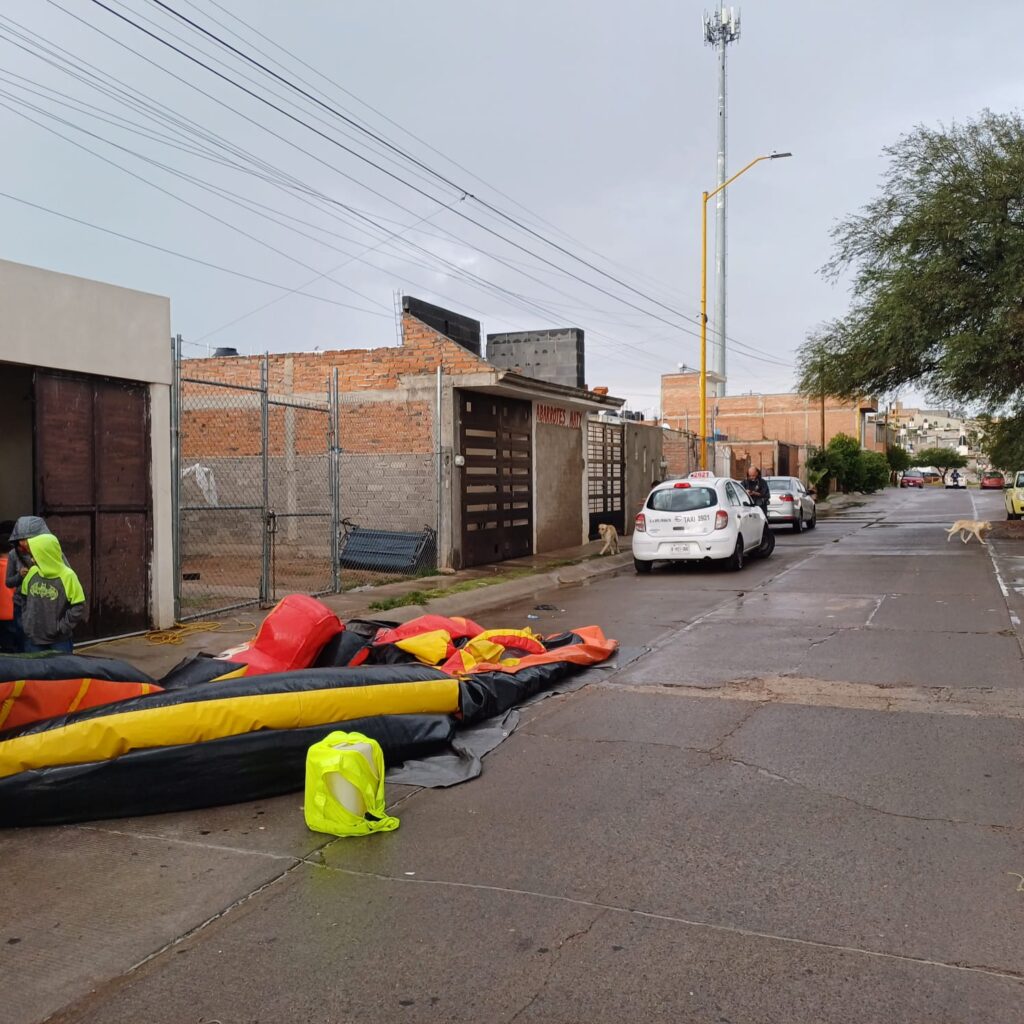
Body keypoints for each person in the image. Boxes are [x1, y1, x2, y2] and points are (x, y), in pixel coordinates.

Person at [19, 533, 86, 653]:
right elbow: (23, 597)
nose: (32, 559)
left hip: (59, 641)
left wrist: (61, 627)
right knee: (35, 671)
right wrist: (26, 621)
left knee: (62, 671)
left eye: (36, 555)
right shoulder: (32, 572)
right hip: (32, 639)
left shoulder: (68, 576)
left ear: (46, 555)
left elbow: (78, 605)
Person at [5, 516, 60, 652]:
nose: (23, 543)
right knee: (28, 648)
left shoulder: (50, 552)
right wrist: (20, 576)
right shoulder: (13, 554)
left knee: (55, 652)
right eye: (20, 540)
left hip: (48, 605)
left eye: (27, 539)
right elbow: (8, 582)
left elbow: (65, 577)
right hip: (23, 607)